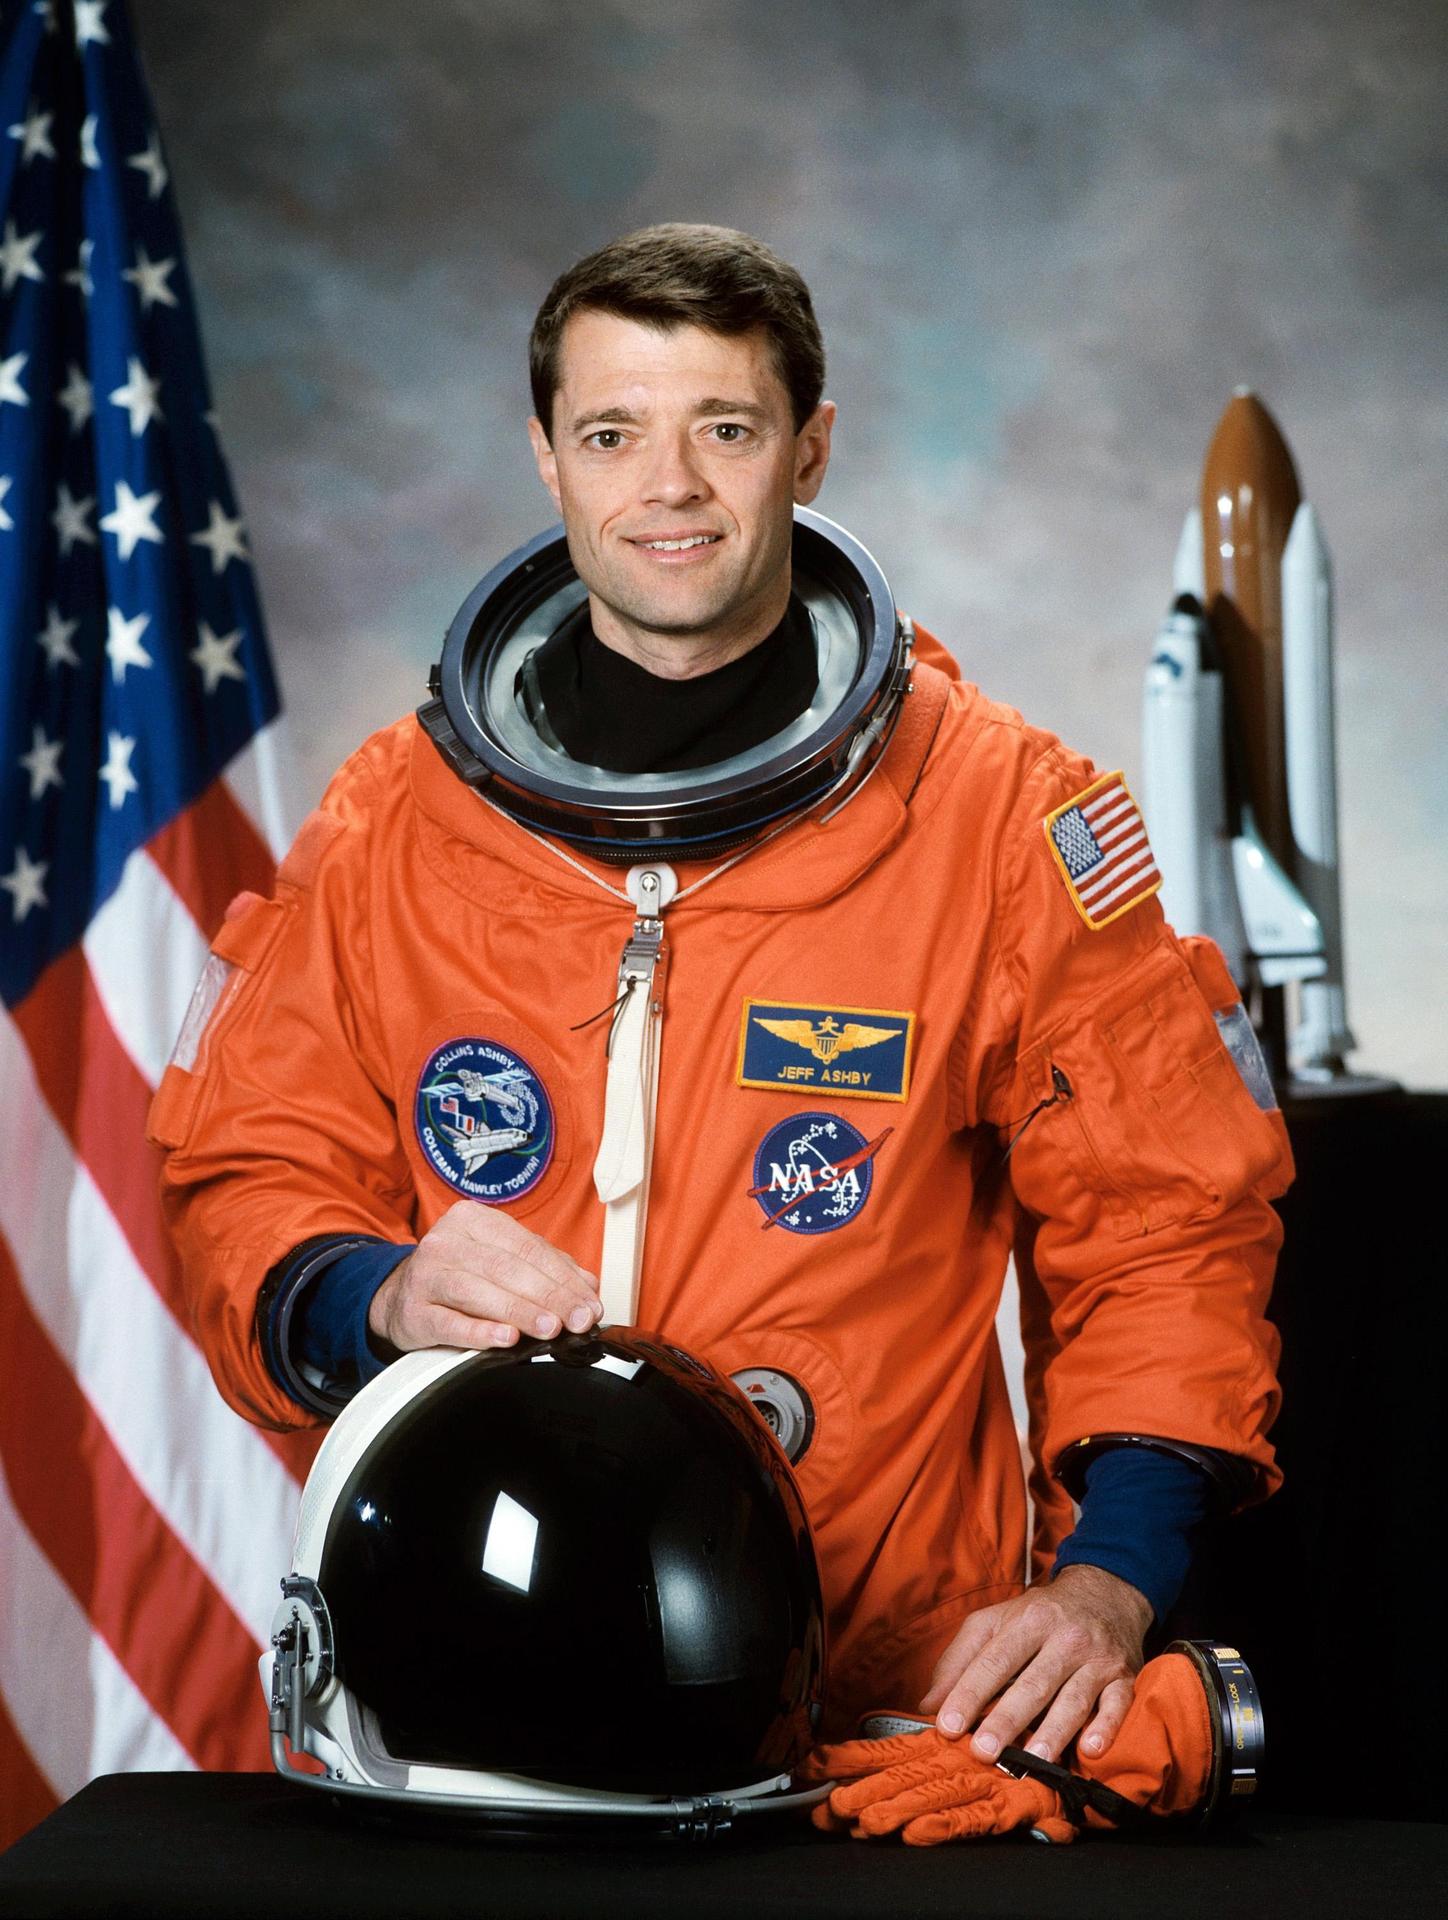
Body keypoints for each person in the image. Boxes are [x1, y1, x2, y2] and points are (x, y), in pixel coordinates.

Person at [150, 222, 1290, 1769]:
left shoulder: (1000, 824)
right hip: (471, 1683)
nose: (667, 487)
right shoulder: (394, 825)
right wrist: (376, 1294)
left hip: (872, 1698)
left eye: (726, 430)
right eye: (613, 432)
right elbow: (246, 1166)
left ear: (809, 452)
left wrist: (1108, 1584)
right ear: (547, 459)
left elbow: (1170, 1224)